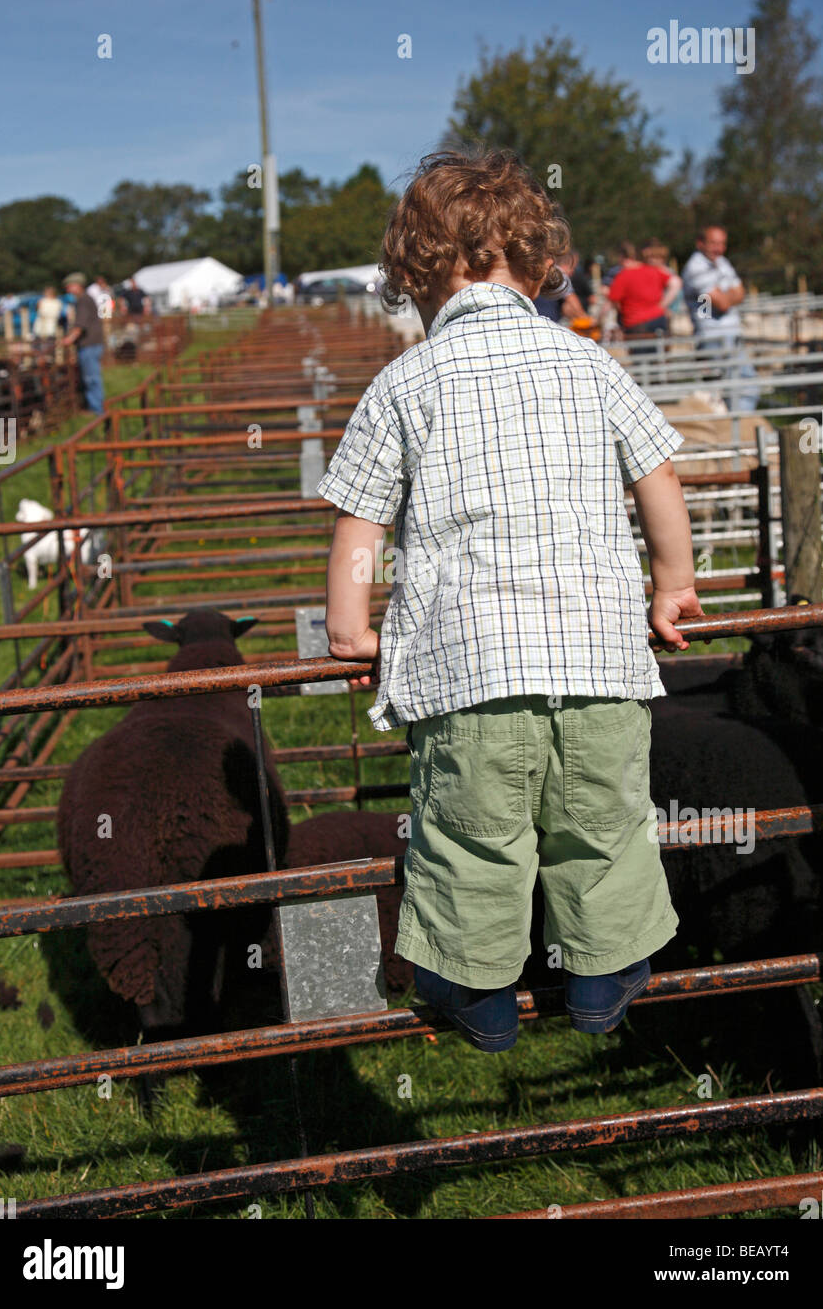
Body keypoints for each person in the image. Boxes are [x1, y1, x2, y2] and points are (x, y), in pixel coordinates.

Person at [316, 148, 702, 1050]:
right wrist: (673, 587)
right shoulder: (589, 362)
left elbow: (359, 530)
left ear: (417, 277)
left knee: (471, 837)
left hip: (470, 671)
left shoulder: (402, 385)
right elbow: (658, 477)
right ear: (536, 264)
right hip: (602, 661)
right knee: (603, 827)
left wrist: (349, 628)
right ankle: (603, 982)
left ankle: (478, 996)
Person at [681, 225, 760, 411]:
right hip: (712, 339)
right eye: (713, 243)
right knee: (728, 393)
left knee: (741, 390)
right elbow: (722, 302)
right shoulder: (695, 267)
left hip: (730, 337)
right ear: (700, 243)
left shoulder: (722, 262)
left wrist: (726, 295)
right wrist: (728, 294)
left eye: (722, 243)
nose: (719, 248)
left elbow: (741, 293)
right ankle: (735, 433)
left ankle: (735, 432)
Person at [607, 241, 681, 348]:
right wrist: (662, 306)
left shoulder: (623, 275)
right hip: (659, 318)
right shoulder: (654, 271)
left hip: (636, 324)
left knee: (642, 360)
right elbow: (676, 282)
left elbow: (613, 300)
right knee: (660, 357)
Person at [62, 272, 105, 414]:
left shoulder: (83, 300)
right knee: (91, 377)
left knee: (91, 378)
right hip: (92, 344)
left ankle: (97, 410)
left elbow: (80, 325)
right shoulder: (85, 299)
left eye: (69, 286)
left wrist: (69, 339)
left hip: (89, 345)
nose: (67, 289)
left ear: (77, 286)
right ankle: (96, 407)